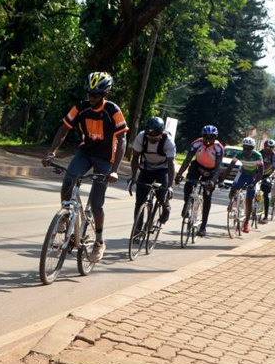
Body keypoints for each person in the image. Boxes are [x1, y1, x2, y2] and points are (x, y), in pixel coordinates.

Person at [42, 72, 128, 263]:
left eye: (96, 95)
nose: (91, 98)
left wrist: (114, 169)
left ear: (105, 95)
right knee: (68, 182)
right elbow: (64, 128)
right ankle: (65, 217)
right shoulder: (80, 108)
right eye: (89, 94)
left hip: (105, 159)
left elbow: (122, 139)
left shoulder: (113, 110)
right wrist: (51, 152)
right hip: (86, 153)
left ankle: (98, 241)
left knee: (97, 204)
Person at [175, 125, 224, 237]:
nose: (208, 140)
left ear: (215, 138)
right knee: (188, 183)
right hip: (197, 166)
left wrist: (212, 181)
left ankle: (203, 227)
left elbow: (218, 168)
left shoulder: (218, 148)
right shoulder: (196, 143)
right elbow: (187, 159)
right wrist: (179, 174)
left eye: (211, 138)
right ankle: (186, 205)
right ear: (202, 136)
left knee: (207, 196)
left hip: (211, 171)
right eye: (206, 137)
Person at [129, 116, 176, 227]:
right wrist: (133, 177)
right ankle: (137, 229)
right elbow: (135, 158)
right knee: (139, 201)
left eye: (155, 137)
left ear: (161, 134)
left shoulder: (168, 142)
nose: (151, 139)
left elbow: (171, 164)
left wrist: (170, 186)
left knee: (161, 195)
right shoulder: (141, 137)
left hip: (162, 169)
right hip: (146, 168)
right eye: (149, 136)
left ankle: (166, 207)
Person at [219, 137, 263, 233]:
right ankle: (233, 201)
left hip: (253, 175)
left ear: (253, 148)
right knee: (233, 188)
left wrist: (254, 183)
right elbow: (230, 167)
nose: (246, 151)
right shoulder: (239, 154)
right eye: (245, 148)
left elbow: (261, 172)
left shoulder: (258, 156)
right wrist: (221, 180)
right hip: (243, 173)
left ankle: (246, 223)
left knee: (249, 200)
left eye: (249, 148)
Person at [258, 139, 275, 223]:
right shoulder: (260, 153)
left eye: (271, 147)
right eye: (267, 147)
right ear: (264, 146)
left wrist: (268, 177)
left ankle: (266, 216)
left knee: (266, 194)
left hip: (268, 175)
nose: (269, 149)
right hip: (258, 173)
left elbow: (274, 169)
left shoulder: (274, 156)